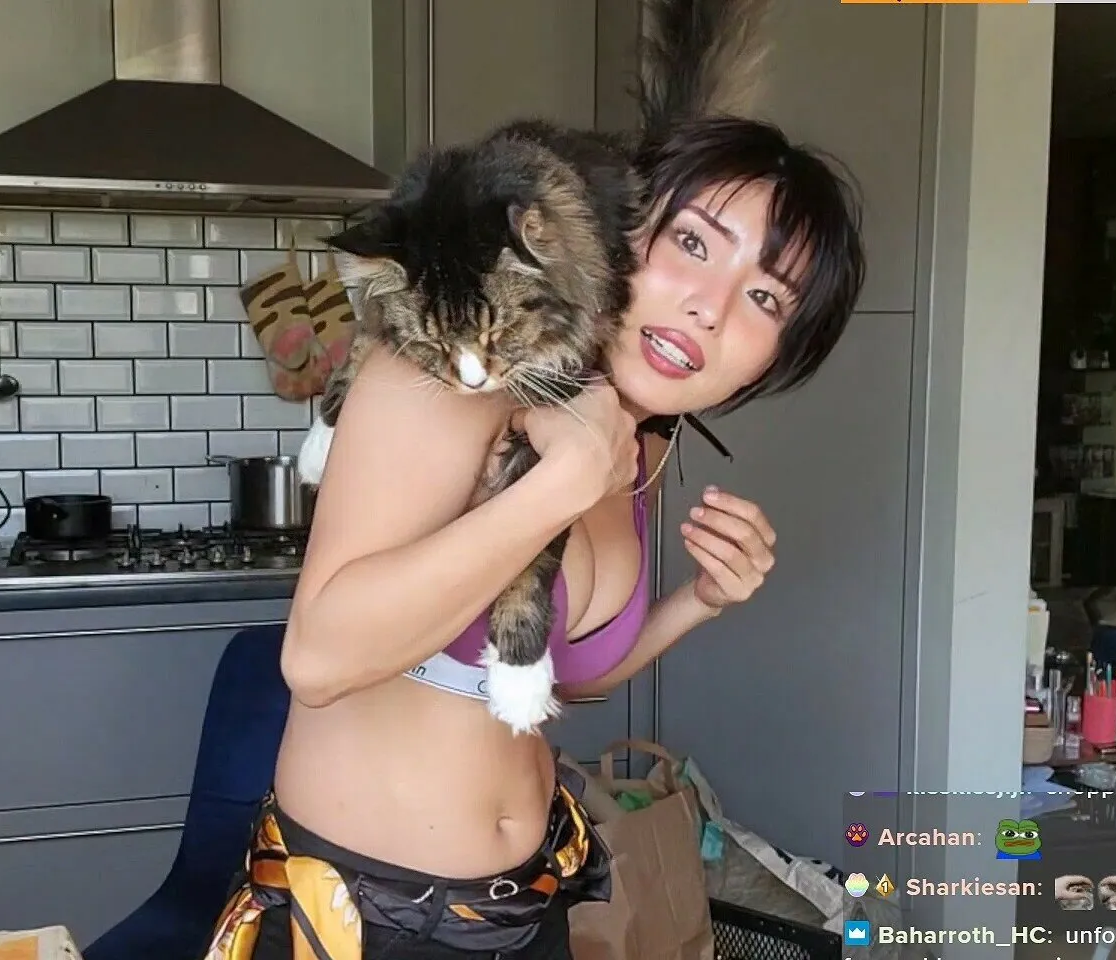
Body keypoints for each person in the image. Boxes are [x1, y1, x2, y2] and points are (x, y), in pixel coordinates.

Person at [203, 116, 865, 960]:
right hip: (366, 917)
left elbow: (562, 674)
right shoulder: (448, 374)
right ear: (613, 226)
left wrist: (698, 603)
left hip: (529, 903)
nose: (711, 306)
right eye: (694, 243)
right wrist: (561, 483)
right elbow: (318, 659)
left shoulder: (636, 439)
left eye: (766, 298)